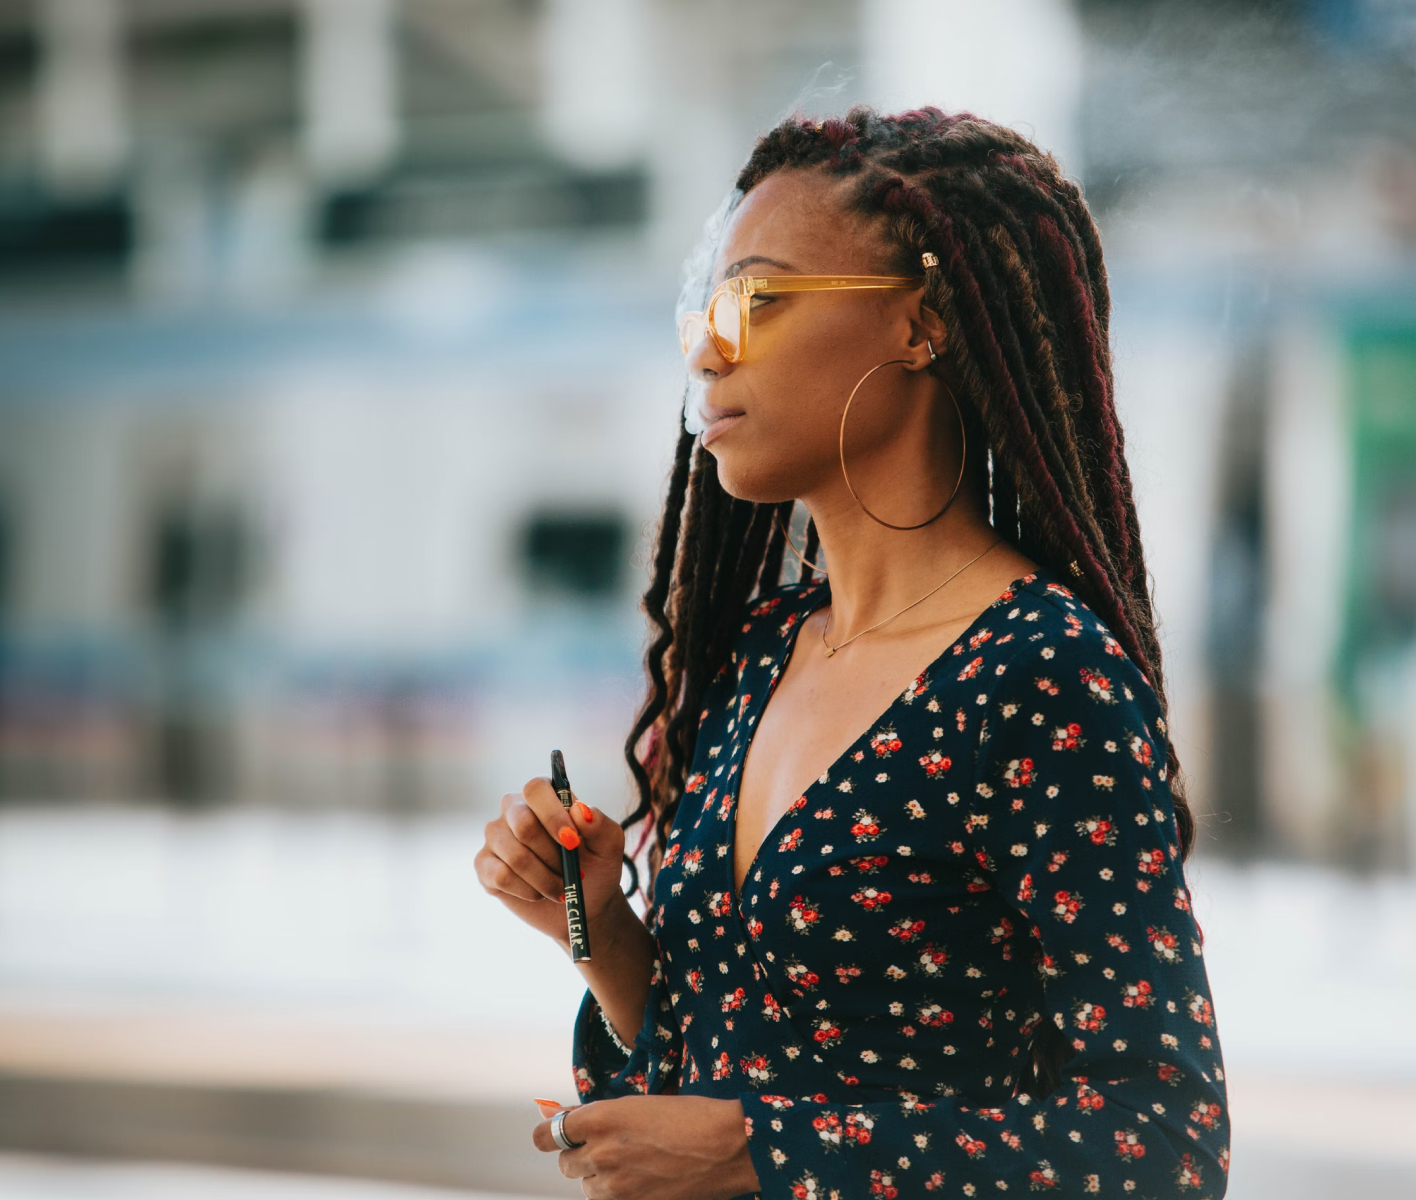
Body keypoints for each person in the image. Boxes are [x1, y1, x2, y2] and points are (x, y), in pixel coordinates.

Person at [474, 106, 1227, 1200]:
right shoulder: (760, 653)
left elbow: (1162, 1144)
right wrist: (596, 929)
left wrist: (761, 1154)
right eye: (707, 301)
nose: (706, 345)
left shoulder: (1037, 674)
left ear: (921, 325)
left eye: (758, 300)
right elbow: (734, 1050)